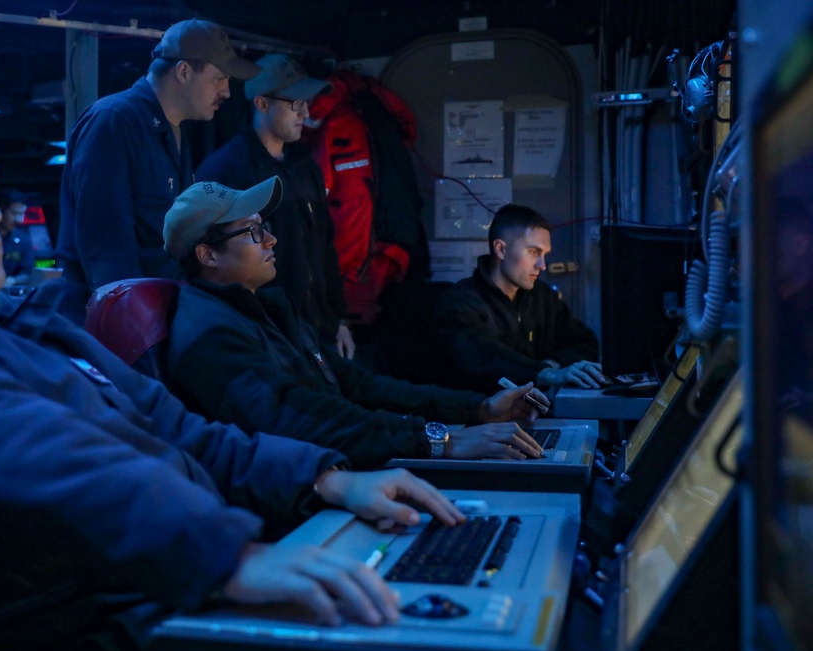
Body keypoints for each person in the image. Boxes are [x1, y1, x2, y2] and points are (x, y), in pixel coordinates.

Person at [0, 98, 467, 651]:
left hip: (170, 585)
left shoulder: (32, 327)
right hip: (109, 622)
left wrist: (327, 477)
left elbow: (184, 434)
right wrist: (225, 557)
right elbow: (10, 438)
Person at [163, 177, 546, 470]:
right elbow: (294, 417)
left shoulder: (266, 309)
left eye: (265, 227)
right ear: (208, 254)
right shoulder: (208, 334)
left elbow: (355, 384)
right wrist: (439, 441)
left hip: (350, 463)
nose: (272, 240)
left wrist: (477, 410)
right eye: (254, 232)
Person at [56, 18, 261, 324]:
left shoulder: (174, 131)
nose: (227, 92)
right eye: (220, 78)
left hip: (156, 315)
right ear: (183, 71)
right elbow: (106, 249)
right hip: (117, 328)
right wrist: (133, 331)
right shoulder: (113, 121)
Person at [196, 54, 354, 358]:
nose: (305, 113)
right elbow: (213, 267)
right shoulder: (225, 172)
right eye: (295, 102)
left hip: (317, 331)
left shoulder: (305, 165)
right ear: (262, 104)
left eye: (306, 102)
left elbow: (324, 247)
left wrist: (338, 321)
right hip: (268, 336)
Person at [435, 204, 605, 392]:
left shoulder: (543, 297)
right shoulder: (461, 302)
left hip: (533, 411)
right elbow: (483, 357)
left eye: (545, 255)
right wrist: (544, 374)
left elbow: (585, 343)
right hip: (482, 416)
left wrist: (551, 364)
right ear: (500, 249)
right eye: (534, 252)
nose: (542, 265)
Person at [0, 188, 35, 286]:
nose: (19, 220)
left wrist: (13, 280)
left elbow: (27, 272)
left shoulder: (24, 241)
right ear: (0, 210)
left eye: (22, 214)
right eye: (14, 213)